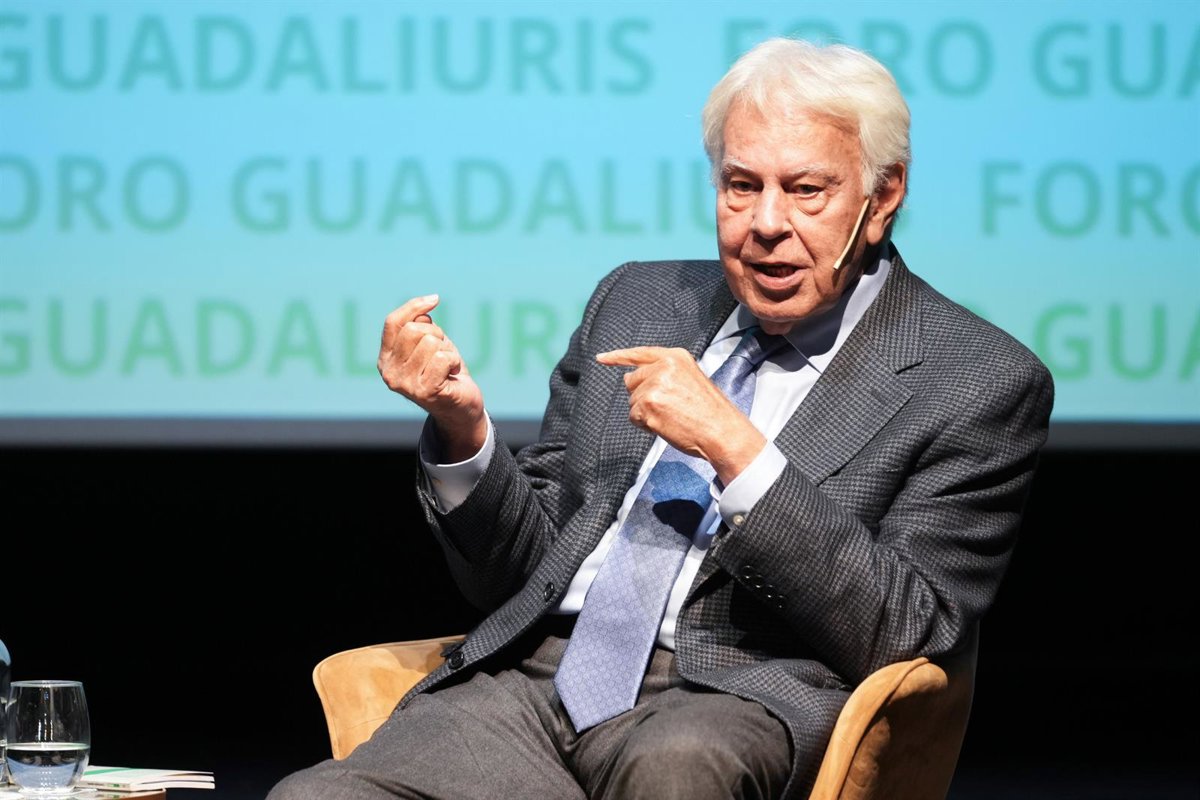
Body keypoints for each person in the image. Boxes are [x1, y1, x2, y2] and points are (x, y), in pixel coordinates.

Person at [268, 36, 1054, 800]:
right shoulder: (638, 300)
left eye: (805, 190)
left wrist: (735, 447)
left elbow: (908, 630)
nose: (766, 223)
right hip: (537, 685)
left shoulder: (977, 379)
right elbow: (519, 570)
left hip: (735, 695)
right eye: (740, 185)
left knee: (675, 771)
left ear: (882, 198)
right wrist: (463, 429)